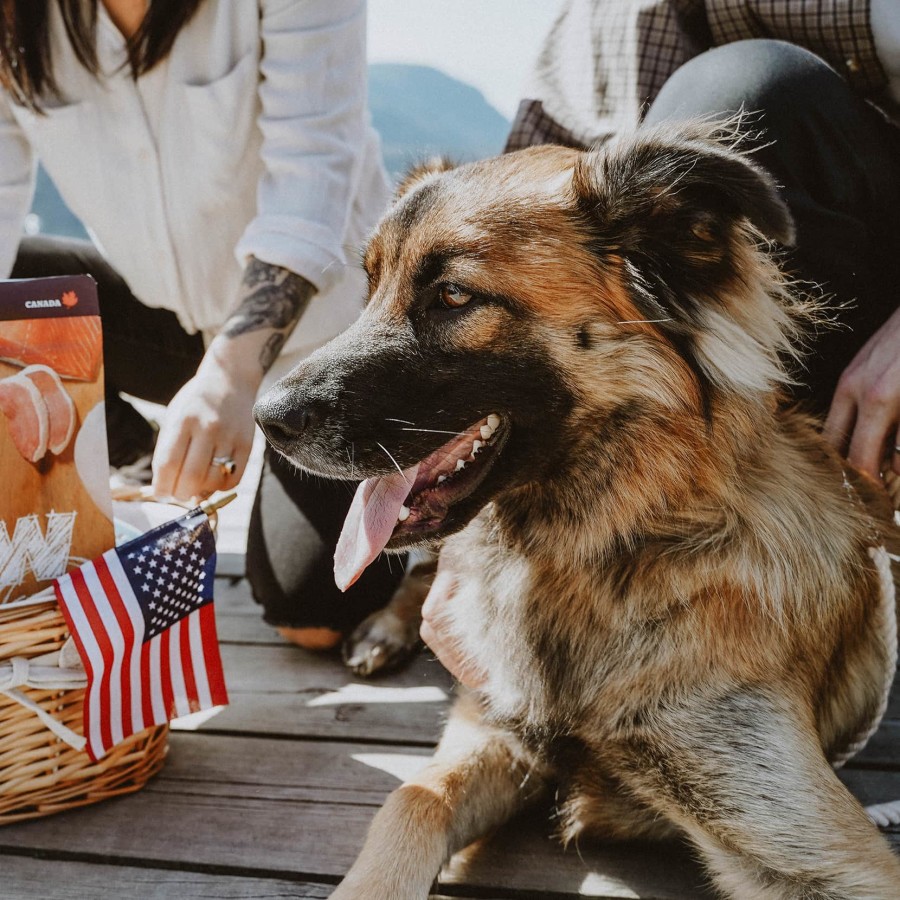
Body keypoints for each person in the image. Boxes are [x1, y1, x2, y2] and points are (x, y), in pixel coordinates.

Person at [421, 0, 900, 686]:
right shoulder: (596, 24)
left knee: (749, 90)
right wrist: (470, 529)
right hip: (680, 345)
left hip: (852, 296)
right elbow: (501, 224)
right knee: (304, 588)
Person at [0, 0, 402, 650]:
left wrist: (230, 374)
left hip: (326, 345)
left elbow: (314, 177)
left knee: (313, 617)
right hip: (172, 319)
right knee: (11, 288)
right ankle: (139, 462)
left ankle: (398, 486)